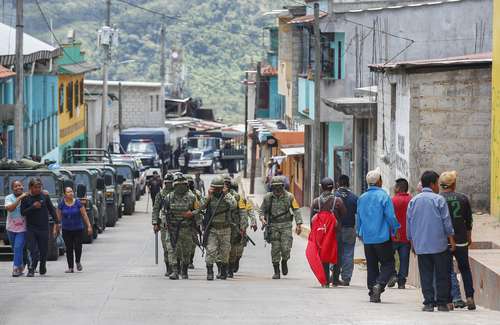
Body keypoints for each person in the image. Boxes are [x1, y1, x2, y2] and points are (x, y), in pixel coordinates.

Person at [407, 170, 456, 312]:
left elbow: (409, 225)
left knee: (426, 274)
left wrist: (412, 244)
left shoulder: (413, 201)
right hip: (439, 245)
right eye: (437, 183)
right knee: (442, 274)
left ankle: (428, 303)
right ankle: (441, 303)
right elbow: (447, 223)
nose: (438, 187)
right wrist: (451, 239)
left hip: (421, 245)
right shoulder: (438, 200)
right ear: (433, 184)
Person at [356, 168, 400, 303]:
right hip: (382, 237)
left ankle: (372, 293)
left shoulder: (362, 198)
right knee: (389, 264)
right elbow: (390, 216)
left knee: (372, 265)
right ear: (379, 181)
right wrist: (396, 229)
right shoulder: (383, 196)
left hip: (368, 238)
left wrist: (359, 232)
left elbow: (359, 218)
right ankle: (379, 285)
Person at [439, 171, 476, 310]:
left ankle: (449, 301)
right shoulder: (463, 198)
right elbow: (469, 221)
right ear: (454, 184)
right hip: (461, 240)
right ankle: (470, 297)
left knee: (447, 270)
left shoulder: (438, 199)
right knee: (465, 269)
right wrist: (469, 236)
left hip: (444, 242)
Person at [260, 176, 303, 279]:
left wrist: (299, 223)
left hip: (286, 226)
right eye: (274, 187)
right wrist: (262, 218)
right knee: (275, 248)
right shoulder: (268, 198)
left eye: (279, 187)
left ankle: (284, 261)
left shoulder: (290, 197)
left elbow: (296, 209)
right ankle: (276, 271)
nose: (277, 189)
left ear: (283, 186)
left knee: (286, 248)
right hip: (273, 226)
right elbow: (262, 210)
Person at [161, 174, 201, 280]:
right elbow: (164, 212)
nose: (180, 187)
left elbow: (199, 211)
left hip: (186, 229)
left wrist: (193, 216)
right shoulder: (169, 197)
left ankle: (184, 270)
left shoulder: (192, 197)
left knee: (186, 251)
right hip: (172, 228)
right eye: (178, 185)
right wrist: (164, 222)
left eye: (182, 185)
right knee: (171, 249)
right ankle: (174, 270)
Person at [311, 177, 346, 286]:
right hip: (336, 233)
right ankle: (335, 280)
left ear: (322, 188)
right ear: (332, 188)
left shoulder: (316, 202)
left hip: (322, 234)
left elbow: (312, 219)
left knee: (323, 255)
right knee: (337, 255)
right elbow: (344, 214)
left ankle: (325, 280)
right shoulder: (338, 201)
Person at [21, 178, 59, 277]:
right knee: (33, 250)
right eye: (35, 187)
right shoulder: (26, 198)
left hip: (44, 228)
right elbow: (23, 212)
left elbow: (52, 210)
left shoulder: (45, 196)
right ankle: (32, 269)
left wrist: (57, 222)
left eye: (39, 187)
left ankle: (43, 265)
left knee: (44, 250)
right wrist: (33, 207)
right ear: (30, 188)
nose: (38, 189)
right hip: (31, 228)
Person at [202, 176, 237, 280]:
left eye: (219, 188)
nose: (217, 190)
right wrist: (208, 196)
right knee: (211, 250)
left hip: (226, 229)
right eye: (215, 188)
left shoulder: (227, 196)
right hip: (213, 229)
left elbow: (234, 205)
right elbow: (200, 206)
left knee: (225, 252)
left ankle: (223, 271)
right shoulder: (210, 197)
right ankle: (210, 271)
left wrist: (226, 194)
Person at [55, 187, 93, 273]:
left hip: (78, 229)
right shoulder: (61, 204)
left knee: (78, 246)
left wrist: (89, 226)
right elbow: (58, 218)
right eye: (68, 192)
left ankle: (78, 261)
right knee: (69, 248)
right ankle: (70, 267)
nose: (70, 193)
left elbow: (84, 215)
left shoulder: (78, 203)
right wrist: (55, 228)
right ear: (65, 194)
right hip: (66, 229)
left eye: (71, 191)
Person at [387, 178, 412, 289]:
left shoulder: (392, 201)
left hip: (393, 235)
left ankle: (392, 274)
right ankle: (402, 282)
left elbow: (388, 217)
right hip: (406, 236)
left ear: (397, 188)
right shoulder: (411, 200)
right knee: (404, 259)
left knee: (389, 257)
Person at [335, 175, 358, 286]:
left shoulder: (333, 196)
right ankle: (346, 278)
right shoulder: (354, 197)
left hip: (335, 230)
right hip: (349, 229)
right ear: (348, 183)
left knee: (335, 252)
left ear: (338, 183)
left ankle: (334, 274)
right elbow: (358, 214)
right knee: (348, 253)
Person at [152, 173, 175, 276]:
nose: (168, 184)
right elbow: (156, 209)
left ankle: (176, 266)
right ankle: (168, 267)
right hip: (164, 224)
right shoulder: (160, 194)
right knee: (166, 247)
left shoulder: (177, 193)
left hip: (175, 223)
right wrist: (155, 223)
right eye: (167, 183)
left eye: (170, 183)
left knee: (175, 246)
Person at [5, 180, 28, 277]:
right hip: (11, 228)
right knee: (16, 249)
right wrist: (19, 198)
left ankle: (15, 268)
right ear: (12, 188)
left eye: (20, 186)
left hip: (23, 228)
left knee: (18, 247)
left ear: (23, 186)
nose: (18, 187)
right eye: (16, 186)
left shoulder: (27, 197)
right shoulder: (9, 198)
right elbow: (10, 208)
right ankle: (21, 265)